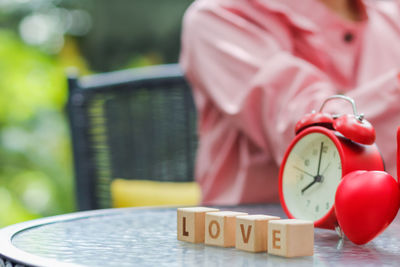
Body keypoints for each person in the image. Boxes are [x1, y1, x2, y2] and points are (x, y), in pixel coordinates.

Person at [179, 0, 400, 205]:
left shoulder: (390, 11)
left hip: (385, 234)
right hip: (252, 237)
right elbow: (314, 136)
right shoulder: (219, 18)